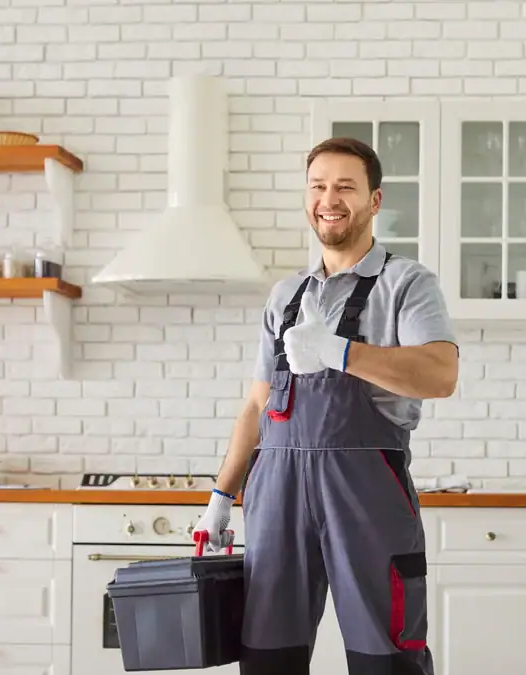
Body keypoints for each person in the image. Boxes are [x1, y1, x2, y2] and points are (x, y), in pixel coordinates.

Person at [193, 136, 459, 675]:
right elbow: (257, 406)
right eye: (318, 186)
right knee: (268, 660)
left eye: (345, 187)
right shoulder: (285, 295)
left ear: (374, 201)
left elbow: (440, 373)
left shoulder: (406, 283)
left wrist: (341, 352)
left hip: (367, 492)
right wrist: (222, 493)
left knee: (386, 661)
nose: (328, 199)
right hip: (276, 493)